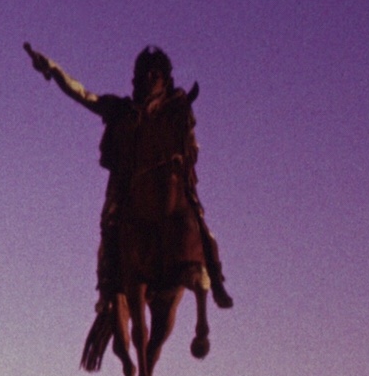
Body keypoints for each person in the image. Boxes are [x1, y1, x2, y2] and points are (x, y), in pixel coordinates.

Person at [22, 43, 230, 312]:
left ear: (165, 79)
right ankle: (107, 286)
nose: (149, 79)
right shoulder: (120, 109)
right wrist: (53, 70)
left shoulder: (176, 107)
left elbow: (191, 142)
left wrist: (187, 154)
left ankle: (214, 278)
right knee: (110, 223)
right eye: (144, 74)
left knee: (198, 219)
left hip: (171, 179)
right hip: (128, 184)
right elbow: (84, 96)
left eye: (155, 75)